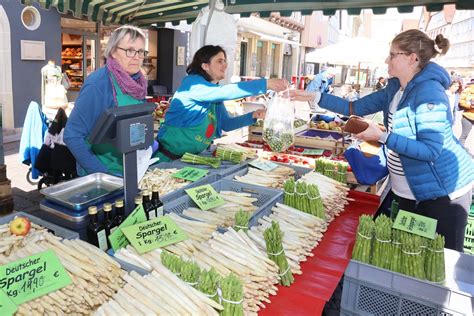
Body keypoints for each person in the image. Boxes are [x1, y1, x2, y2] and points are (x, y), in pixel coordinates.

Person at [291, 29, 473, 252]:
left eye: (393, 54)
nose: (387, 60)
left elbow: (430, 150)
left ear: (412, 58)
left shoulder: (429, 94)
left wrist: (382, 137)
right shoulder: (395, 88)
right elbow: (354, 107)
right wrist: (315, 96)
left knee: (439, 260)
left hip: (442, 194)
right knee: (407, 253)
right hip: (408, 192)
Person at [155, 45, 287, 162]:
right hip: (168, 160)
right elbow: (226, 91)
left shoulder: (213, 93)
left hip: (193, 159)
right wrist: (265, 84)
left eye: (225, 61)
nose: (225, 65)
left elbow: (226, 124)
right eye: (219, 61)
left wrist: (253, 115)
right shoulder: (192, 85)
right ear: (205, 65)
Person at [64, 25, 149, 176]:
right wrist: (101, 173)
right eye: (130, 50)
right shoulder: (98, 84)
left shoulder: (139, 84)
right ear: (113, 51)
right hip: (104, 172)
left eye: (141, 51)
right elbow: (72, 135)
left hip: (132, 168)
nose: (137, 57)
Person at [458, 82, 474, 148]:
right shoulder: (468, 90)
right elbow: (461, 102)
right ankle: (459, 151)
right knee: (464, 135)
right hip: (468, 116)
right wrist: (470, 106)